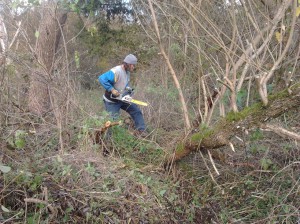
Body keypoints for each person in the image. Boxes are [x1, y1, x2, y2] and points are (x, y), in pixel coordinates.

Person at [98, 54, 147, 137]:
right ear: (127, 64)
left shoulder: (127, 72)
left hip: (121, 99)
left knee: (136, 111)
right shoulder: (116, 71)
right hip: (111, 102)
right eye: (132, 65)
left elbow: (124, 84)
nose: (133, 67)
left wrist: (128, 90)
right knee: (111, 122)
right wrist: (112, 90)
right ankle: (108, 142)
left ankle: (141, 131)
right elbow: (102, 78)